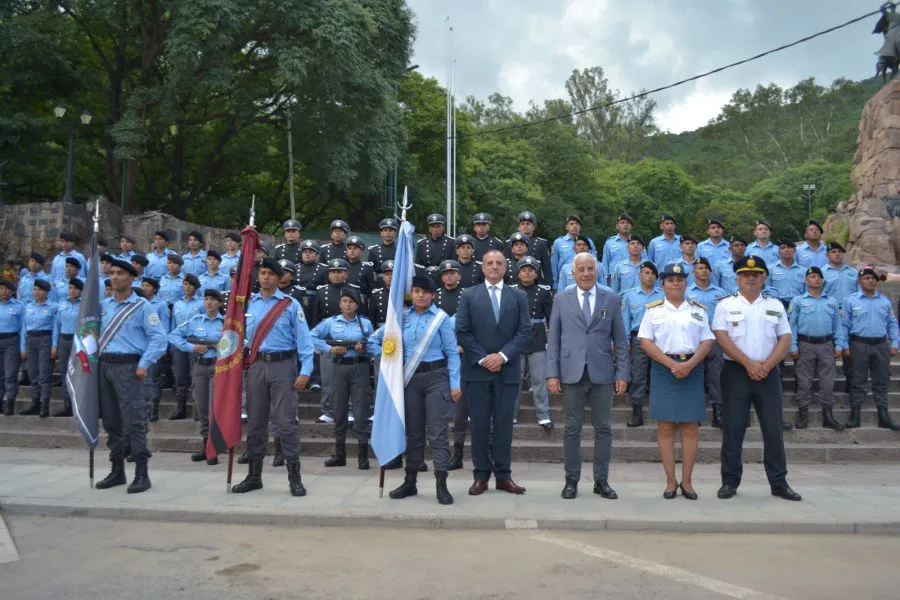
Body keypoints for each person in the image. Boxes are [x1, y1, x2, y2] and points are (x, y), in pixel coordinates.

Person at [712, 256, 801, 502]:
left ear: (763, 278)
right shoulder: (725, 305)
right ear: (737, 278)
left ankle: (779, 483)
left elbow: (784, 338)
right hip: (736, 372)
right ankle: (729, 481)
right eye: (745, 275)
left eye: (756, 274)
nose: (750, 278)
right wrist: (748, 363)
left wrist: (766, 365)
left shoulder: (775, 305)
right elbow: (721, 337)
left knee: (773, 430)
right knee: (733, 428)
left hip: (768, 371)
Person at [368, 275, 462, 505]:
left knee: (438, 433)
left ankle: (441, 483)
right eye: (417, 291)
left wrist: (455, 383)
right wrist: (387, 359)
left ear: (432, 295)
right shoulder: (400, 318)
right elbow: (374, 341)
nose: (421, 295)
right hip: (409, 380)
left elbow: (452, 353)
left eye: (425, 292)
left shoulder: (442, 320)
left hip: (436, 379)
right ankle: (410, 481)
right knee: (414, 432)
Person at [546, 253, 629, 500]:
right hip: (571, 372)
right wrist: (552, 373)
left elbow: (621, 341)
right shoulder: (561, 299)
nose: (585, 273)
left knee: (603, 428)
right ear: (573, 273)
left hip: (602, 373)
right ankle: (571, 480)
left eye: (590, 269)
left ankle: (601, 481)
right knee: (572, 428)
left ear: (597, 271)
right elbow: (553, 339)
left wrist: (622, 373)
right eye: (580, 269)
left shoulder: (611, 298)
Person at [231, 258, 315, 497]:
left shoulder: (290, 305)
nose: (265, 277)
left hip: (283, 367)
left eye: (270, 274)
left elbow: (305, 343)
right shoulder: (248, 304)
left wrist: (305, 371)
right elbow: (242, 338)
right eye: (262, 273)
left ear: (280, 279)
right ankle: (254, 476)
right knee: (256, 423)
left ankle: (294, 478)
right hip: (257, 366)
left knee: (286, 423)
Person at [455, 250, 532, 495]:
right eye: (490, 263)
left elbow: (525, 331)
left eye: (499, 263)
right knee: (478, 425)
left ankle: (503, 476)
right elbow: (463, 331)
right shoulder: (469, 295)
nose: (495, 267)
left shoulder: (518, 296)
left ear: (506, 267)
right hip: (477, 372)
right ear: (483, 267)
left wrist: (502, 356)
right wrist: (483, 359)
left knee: (503, 426)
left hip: (507, 370)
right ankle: (480, 476)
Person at [639, 262, 714, 500]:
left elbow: (707, 341)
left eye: (679, 280)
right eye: (670, 280)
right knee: (666, 427)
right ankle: (671, 481)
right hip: (664, 369)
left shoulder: (698, 309)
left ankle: (688, 482)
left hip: (693, 368)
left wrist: (689, 365)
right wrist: (672, 365)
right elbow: (646, 341)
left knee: (691, 427)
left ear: (686, 283)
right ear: (662, 284)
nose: (675, 284)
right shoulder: (653, 310)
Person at [94, 259, 168, 494]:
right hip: (104, 366)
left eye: (120, 273)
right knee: (111, 421)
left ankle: (142, 473)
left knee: (135, 422)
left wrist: (144, 364)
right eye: (112, 273)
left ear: (131, 278)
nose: (115, 277)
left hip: (129, 368)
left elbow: (159, 339)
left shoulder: (142, 307)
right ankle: (117, 471)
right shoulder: (102, 307)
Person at [312, 288, 374, 469]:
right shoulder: (330, 323)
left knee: (361, 410)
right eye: (345, 301)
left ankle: (363, 456)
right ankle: (339, 454)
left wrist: (365, 347)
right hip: (338, 367)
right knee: (339, 410)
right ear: (340, 304)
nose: (348, 305)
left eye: (351, 302)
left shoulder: (365, 323)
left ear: (357, 305)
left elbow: (374, 343)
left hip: (359, 367)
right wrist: (329, 349)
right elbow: (312, 336)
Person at [169, 288, 224, 464]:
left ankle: (215, 448)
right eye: (206, 299)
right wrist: (192, 348)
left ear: (220, 303)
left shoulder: (226, 323)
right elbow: (174, 335)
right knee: (202, 408)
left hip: (218, 367)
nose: (208, 302)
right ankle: (206, 445)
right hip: (200, 366)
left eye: (213, 299)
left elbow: (241, 342)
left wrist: (221, 346)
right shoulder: (195, 321)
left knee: (214, 408)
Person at [842, 266, 900, 430]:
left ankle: (884, 416)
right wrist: (844, 345)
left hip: (880, 345)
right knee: (857, 381)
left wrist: (895, 343)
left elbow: (892, 324)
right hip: (859, 344)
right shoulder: (851, 300)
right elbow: (845, 325)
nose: (870, 281)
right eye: (867, 278)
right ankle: (855, 416)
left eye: (873, 278)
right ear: (860, 281)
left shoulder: (884, 301)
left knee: (881, 381)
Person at [788, 267, 845, 431]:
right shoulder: (798, 301)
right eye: (812, 276)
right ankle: (803, 413)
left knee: (827, 381)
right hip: (806, 344)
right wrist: (793, 345)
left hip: (826, 345)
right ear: (806, 280)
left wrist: (839, 344)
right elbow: (791, 326)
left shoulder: (831, 301)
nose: (816, 279)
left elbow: (838, 326)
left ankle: (828, 415)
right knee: (804, 381)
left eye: (819, 277)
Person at [315, 258, 363, 424]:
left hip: (352, 336)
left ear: (346, 274)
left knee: (352, 381)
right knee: (328, 379)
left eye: (339, 271)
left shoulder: (354, 290)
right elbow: (316, 316)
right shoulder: (321, 291)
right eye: (333, 271)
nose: (336, 275)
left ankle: (349, 410)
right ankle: (328, 411)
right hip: (329, 337)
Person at [511, 256, 554, 430]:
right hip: (516, 338)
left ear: (536, 274)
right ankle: (511, 414)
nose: (527, 273)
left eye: (531, 270)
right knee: (515, 379)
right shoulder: (511, 291)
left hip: (537, 338)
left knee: (538, 380)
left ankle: (543, 415)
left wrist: (552, 341)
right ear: (518, 273)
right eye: (523, 270)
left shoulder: (543, 292)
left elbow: (551, 318)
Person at [620, 261, 664, 427]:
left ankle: (661, 409)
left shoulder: (662, 295)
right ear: (640, 275)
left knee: (660, 373)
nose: (650, 276)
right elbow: (625, 321)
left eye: (653, 273)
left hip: (659, 339)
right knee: (638, 375)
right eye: (646, 273)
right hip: (638, 338)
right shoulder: (630, 296)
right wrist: (625, 342)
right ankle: (637, 411)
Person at [686, 257, 727, 428]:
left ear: (710, 271)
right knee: (694, 374)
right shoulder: (687, 293)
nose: (703, 270)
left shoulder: (720, 293)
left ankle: (718, 411)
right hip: (694, 339)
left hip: (715, 338)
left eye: (705, 268)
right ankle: (694, 413)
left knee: (716, 375)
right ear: (694, 271)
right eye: (699, 268)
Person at [822, 242, 859, 389]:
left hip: (850, 315)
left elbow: (857, 293)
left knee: (849, 348)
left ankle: (851, 379)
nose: (837, 254)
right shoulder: (822, 273)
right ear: (827, 255)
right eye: (833, 252)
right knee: (830, 347)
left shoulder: (853, 272)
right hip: (830, 313)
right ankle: (828, 382)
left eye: (839, 251)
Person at [19, 279, 57, 417]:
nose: (36, 292)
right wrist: (22, 347)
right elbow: (23, 328)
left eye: (40, 289)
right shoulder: (28, 307)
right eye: (34, 289)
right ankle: (35, 403)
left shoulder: (53, 307)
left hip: (45, 339)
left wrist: (54, 345)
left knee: (44, 374)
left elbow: (55, 328)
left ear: (46, 292)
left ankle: (44, 405)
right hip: (31, 340)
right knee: (33, 373)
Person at [168, 274, 203, 420]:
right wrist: (171, 345)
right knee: (180, 376)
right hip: (180, 344)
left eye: (190, 285)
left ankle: (198, 409)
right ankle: (180, 407)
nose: (187, 287)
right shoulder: (177, 304)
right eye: (185, 284)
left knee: (196, 376)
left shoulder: (201, 304)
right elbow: (173, 325)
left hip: (195, 343)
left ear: (196, 287)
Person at [50, 277, 83, 417]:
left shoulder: (85, 305)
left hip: (78, 341)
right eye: (70, 287)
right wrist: (54, 344)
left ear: (81, 291)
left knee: (79, 374)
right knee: (65, 372)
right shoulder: (62, 305)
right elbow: (56, 326)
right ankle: (67, 404)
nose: (72, 290)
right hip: (64, 340)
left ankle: (80, 405)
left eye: (75, 288)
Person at [140, 277, 169, 422]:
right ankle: (143, 407)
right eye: (143, 285)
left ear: (155, 289)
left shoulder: (161, 304)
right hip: (140, 345)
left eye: (148, 286)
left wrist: (163, 346)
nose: (145, 288)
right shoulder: (139, 303)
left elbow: (164, 325)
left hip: (154, 345)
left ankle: (153, 408)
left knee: (153, 378)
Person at [504, 211, 552, 285]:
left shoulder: (541, 243)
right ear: (518, 227)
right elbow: (506, 264)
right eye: (522, 224)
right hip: (514, 280)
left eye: (528, 224)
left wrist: (549, 286)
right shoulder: (509, 243)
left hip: (536, 281)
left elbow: (546, 268)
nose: (525, 226)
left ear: (534, 227)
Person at [551, 215, 597, 289]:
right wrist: (555, 285)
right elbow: (554, 264)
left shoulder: (588, 241)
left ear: (580, 227)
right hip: (566, 280)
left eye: (577, 224)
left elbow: (594, 262)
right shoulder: (558, 242)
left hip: (586, 279)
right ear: (566, 227)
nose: (574, 226)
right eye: (571, 224)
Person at [0, 279, 24, 416]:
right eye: (1, 288)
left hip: (12, 341)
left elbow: (22, 328)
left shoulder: (19, 306)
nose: (3, 291)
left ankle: (10, 402)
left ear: (12, 291)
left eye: (6, 288)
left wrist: (22, 348)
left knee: (10, 374)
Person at [415, 214, 455, 280]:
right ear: (429, 228)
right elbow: (418, 265)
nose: (436, 229)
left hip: (445, 277)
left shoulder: (451, 242)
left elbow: (454, 262)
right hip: (427, 277)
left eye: (438, 226)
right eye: (433, 227)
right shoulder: (422, 244)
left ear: (443, 227)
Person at [768, 239, 806, 309]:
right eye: (783, 248)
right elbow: (767, 289)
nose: (786, 250)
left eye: (789, 247)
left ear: (794, 250)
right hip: (777, 305)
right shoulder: (771, 269)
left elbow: (806, 292)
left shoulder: (803, 271)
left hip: (797, 306)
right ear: (779, 251)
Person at [601, 213, 636, 285]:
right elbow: (605, 264)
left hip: (633, 279)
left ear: (631, 226)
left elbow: (644, 262)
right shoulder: (610, 243)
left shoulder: (637, 243)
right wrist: (605, 283)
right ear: (617, 226)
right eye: (622, 222)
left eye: (628, 223)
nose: (625, 225)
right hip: (614, 280)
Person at [345, 235, 377, 301]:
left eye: (355, 248)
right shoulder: (342, 267)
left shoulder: (367, 268)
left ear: (361, 252)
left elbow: (372, 290)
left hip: (360, 302)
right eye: (350, 248)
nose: (352, 251)